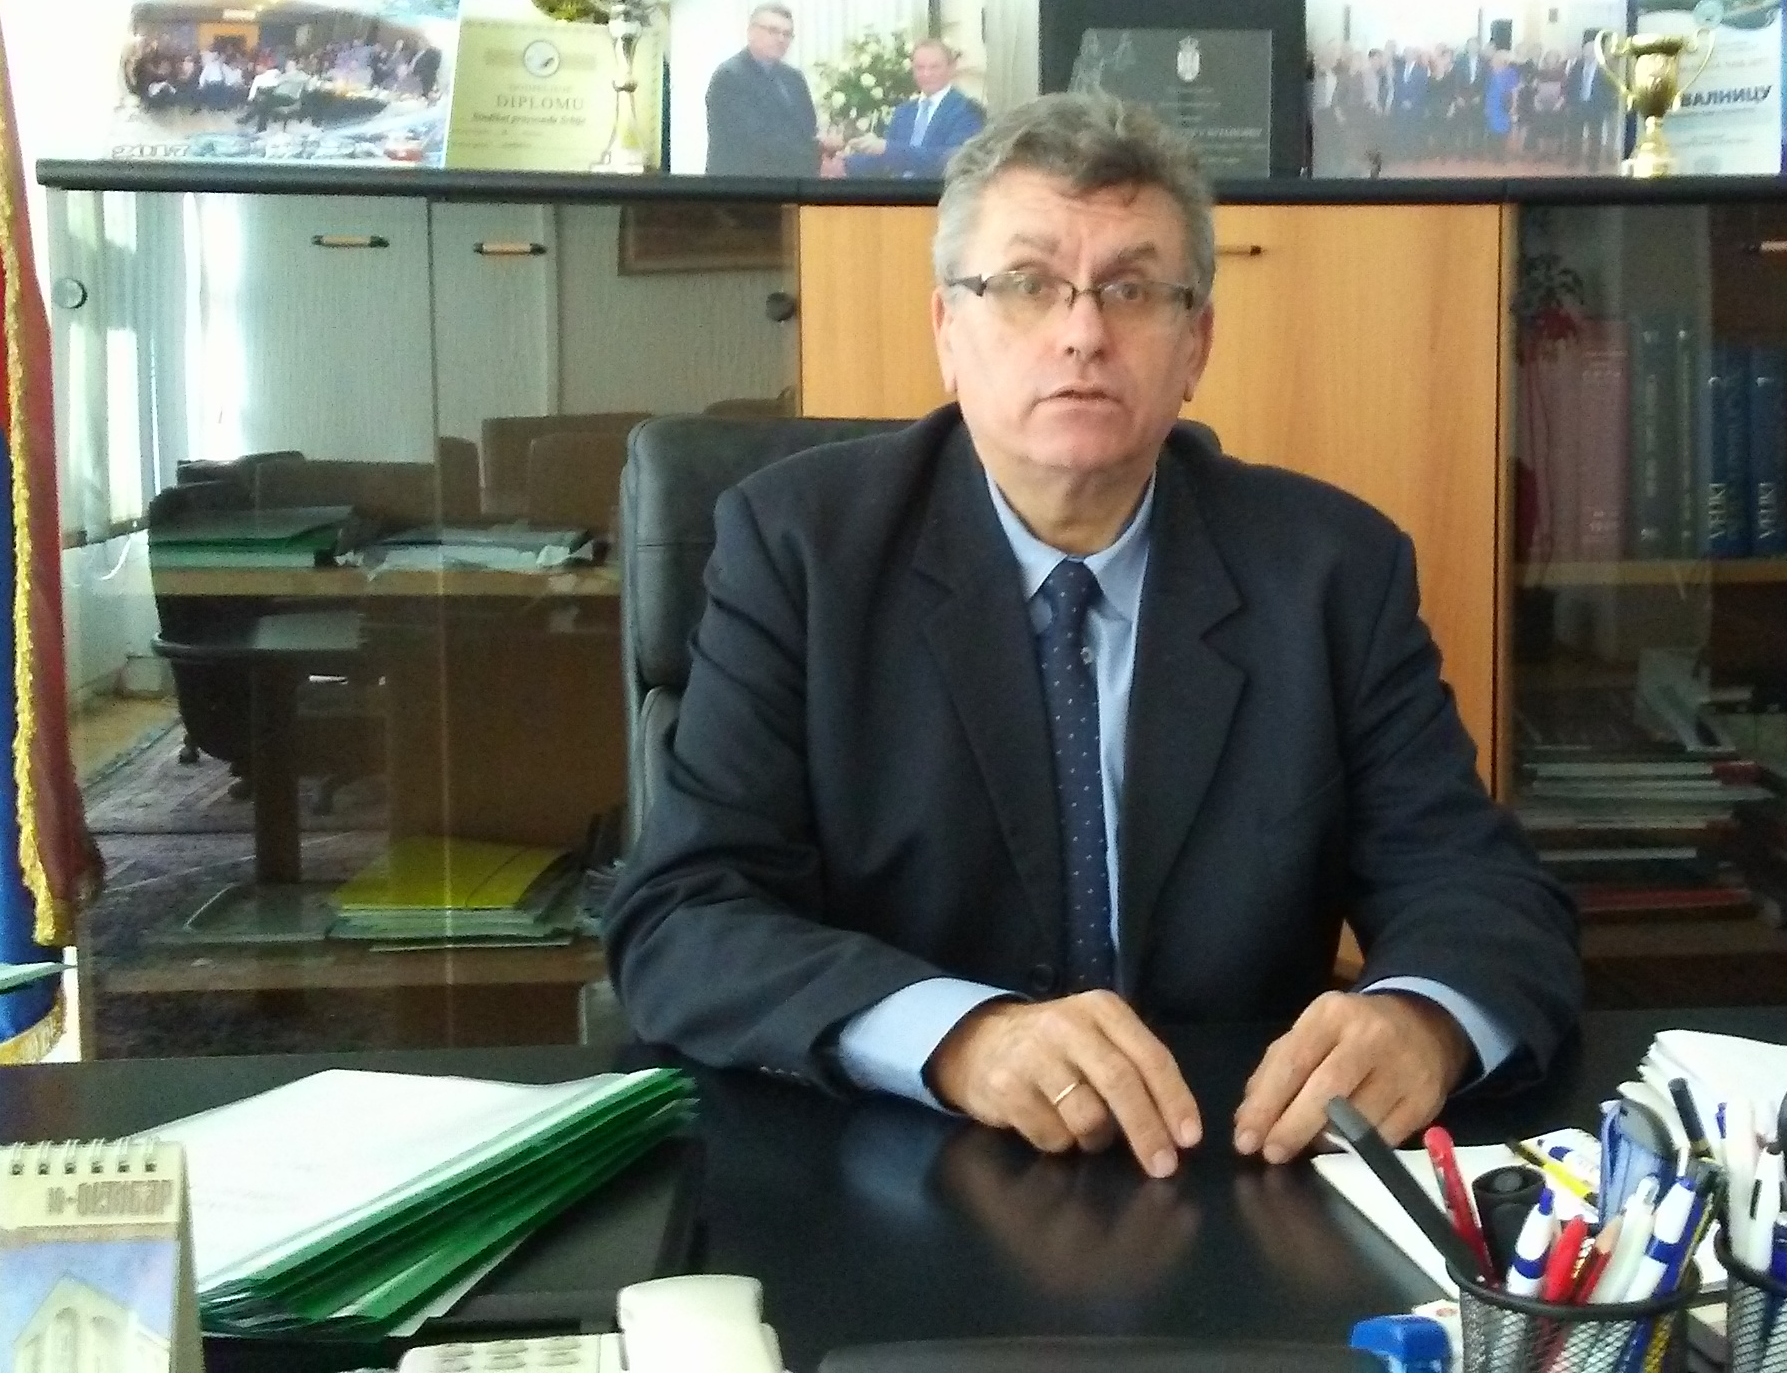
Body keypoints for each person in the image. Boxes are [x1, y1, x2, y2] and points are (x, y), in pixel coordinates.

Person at [606, 93, 1578, 1178]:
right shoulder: (800, 549)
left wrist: (1424, 1021)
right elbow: (684, 916)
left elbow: (1480, 892)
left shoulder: (1328, 571)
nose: (1081, 333)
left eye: (1131, 289)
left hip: (1230, 1161)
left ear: (1195, 343)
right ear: (948, 330)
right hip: (890, 1165)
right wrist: (957, 1035)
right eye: (1027, 284)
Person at [705, 2, 839, 177]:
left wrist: (825, 155)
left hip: (794, 182)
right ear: (751, 32)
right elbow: (754, 140)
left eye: (787, 34)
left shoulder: (794, 77)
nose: (781, 39)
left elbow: (808, 128)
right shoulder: (730, 76)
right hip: (741, 184)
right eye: (773, 31)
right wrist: (819, 149)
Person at [843, 40, 988, 179]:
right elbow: (883, 159)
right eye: (920, 68)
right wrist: (845, 164)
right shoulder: (903, 112)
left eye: (934, 67)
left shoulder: (966, 110)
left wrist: (887, 149)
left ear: (951, 68)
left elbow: (953, 159)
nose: (926, 74)